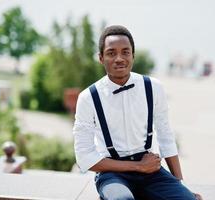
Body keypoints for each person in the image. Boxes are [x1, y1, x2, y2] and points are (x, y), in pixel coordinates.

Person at [73, 25, 202, 200]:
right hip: (112, 174)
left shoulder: (153, 87)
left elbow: (165, 137)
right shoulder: (88, 98)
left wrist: (178, 184)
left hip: (152, 172)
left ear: (133, 55)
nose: (119, 58)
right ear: (101, 58)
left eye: (125, 52)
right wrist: (138, 167)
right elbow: (84, 158)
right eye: (111, 53)